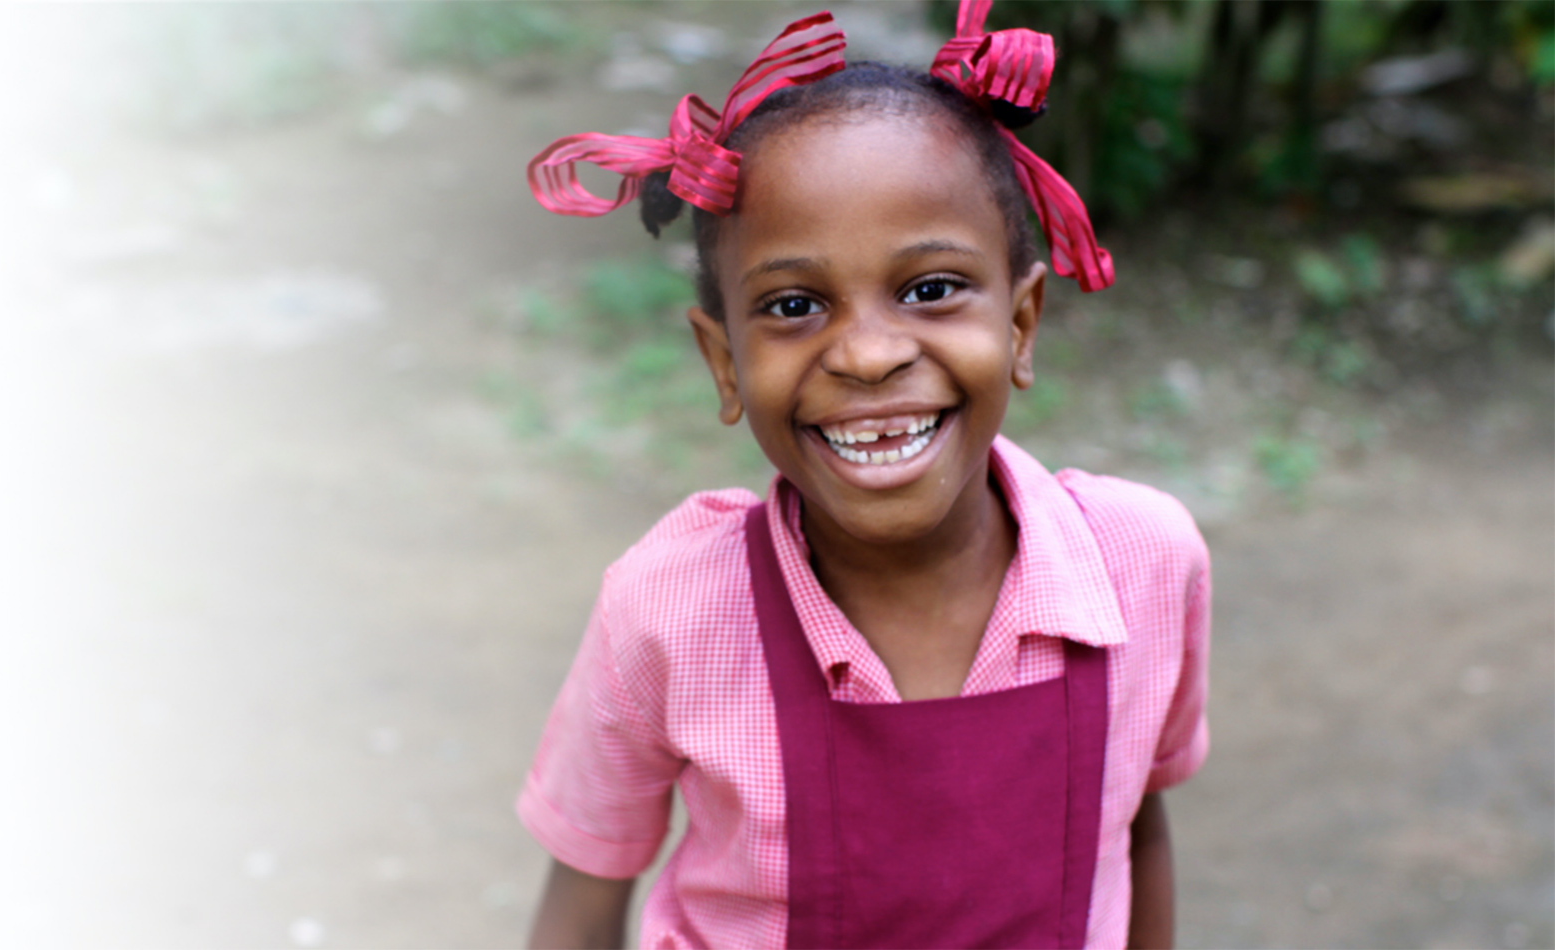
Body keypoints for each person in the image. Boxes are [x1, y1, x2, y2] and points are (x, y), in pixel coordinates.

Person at [518, 3, 1209, 947]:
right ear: (724, 363)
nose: (869, 355)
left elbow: (1134, 830)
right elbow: (583, 899)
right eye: (793, 305)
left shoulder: (1143, 566)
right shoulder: (669, 611)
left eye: (931, 289)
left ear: (1020, 324)